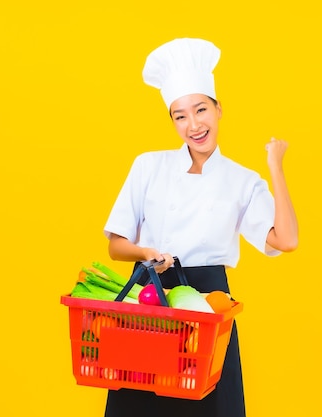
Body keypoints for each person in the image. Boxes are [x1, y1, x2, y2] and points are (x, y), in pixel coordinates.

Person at [102, 37, 299, 417]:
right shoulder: (148, 166)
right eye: (180, 115)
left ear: (218, 108)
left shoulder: (243, 181)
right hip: (149, 303)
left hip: (209, 306)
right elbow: (116, 245)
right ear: (172, 121)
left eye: (201, 110)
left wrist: (275, 166)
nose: (194, 125)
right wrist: (146, 253)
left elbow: (286, 240)